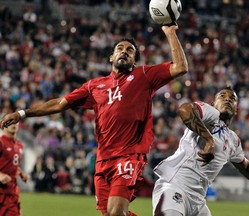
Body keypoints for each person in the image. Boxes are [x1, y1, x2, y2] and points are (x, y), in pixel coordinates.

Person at [0, 24, 188, 216]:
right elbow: (59, 104)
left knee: (116, 212)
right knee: (109, 213)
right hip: (103, 160)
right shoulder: (94, 86)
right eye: (120, 49)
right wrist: (23, 114)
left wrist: (170, 33)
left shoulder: (144, 76)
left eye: (130, 51)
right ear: (111, 57)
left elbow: (180, 67)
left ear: (134, 60)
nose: (124, 52)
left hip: (129, 155)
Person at [152, 86, 249, 216]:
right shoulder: (210, 113)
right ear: (213, 103)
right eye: (222, 96)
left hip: (198, 202)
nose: (227, 99)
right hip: (175, 187)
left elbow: (247, 168)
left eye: (232, 98)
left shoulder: (233, 140)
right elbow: (184, 110)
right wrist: (208, 139)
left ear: (236, 110)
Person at [0, 123, 28, 216]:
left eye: (15, 121)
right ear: (3, 124)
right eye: (10, 122)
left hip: (11, 191)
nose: (13, 124)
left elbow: (13, 163)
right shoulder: (1, 142)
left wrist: (21, 173)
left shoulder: (19, 145)